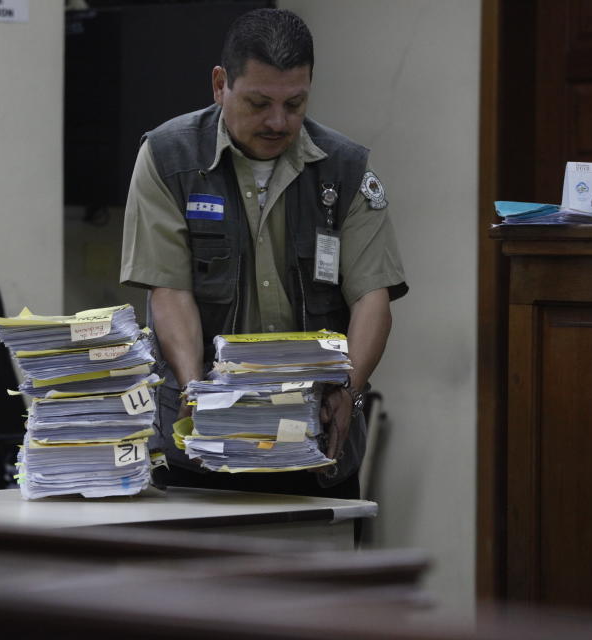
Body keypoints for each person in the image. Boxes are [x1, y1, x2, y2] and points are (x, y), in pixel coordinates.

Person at [120, 7, 407, 499]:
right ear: (219, 84)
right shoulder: (168, 159)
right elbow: (169, 290)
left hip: (315, 441)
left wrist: (351, 390)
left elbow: (371, 299)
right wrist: (194, 388)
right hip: (203, 446)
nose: (278, 122)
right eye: (258, 103)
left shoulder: (345, 169)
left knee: (317, 574)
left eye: (294, 104)